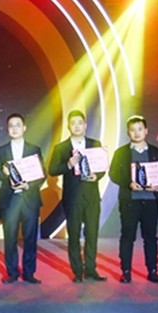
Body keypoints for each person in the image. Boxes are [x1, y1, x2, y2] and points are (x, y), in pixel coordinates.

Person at [48, 109, 107, 282]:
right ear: (68, 126)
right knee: (73, 235)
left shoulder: (95, 144)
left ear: (85, 125)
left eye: (80, 123)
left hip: (91, 196)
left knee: (92, 234)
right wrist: (68, 164)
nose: (76, 126)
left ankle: (91, 270)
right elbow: (52, 170)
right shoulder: (61, 148)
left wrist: (97, 176)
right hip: (72, 198)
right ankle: (77, 272)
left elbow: (102, 167)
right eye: (73, 123)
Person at [109, 114, 158, 284]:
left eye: (140, 129)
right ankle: (126, 271)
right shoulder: (121, 152)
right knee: (128, 236)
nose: (136, 133)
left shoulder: (155, 152)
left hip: (151, 201)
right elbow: (113, 173)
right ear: (128, 132)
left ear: (146, 131)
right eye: (133, 130)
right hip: (130, 201)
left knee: (150, 237)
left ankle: (153, 271)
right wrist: (128, 183)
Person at [0, 113, 43, 284]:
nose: (14, 128)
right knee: (10, 239)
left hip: (30, 199)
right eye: (11, 126)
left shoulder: (34, 150)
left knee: (30, 239)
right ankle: (12, 273)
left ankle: (29, 273)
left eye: (18, 125)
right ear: (7, 129)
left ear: (24, 128)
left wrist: (28, 185)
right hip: (10, 201)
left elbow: (41, 174)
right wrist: (5, 174)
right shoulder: (1, 151)